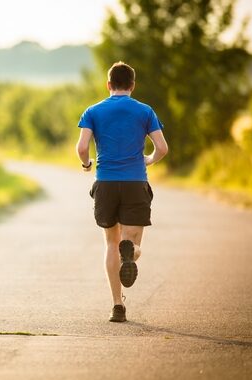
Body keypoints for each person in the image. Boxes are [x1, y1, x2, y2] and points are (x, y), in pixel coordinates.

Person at [76, 61, 168, 322]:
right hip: (134, 182)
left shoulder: (93, 111)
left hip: (105, 183)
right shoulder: (145, 111)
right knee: (133, 244)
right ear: (132, 85)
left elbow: (82, 147)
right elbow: (162, 148)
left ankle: (117, 306)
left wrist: (86, 165)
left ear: (108, 85)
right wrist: (148, 160)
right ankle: (133, 253)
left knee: (110, 243)